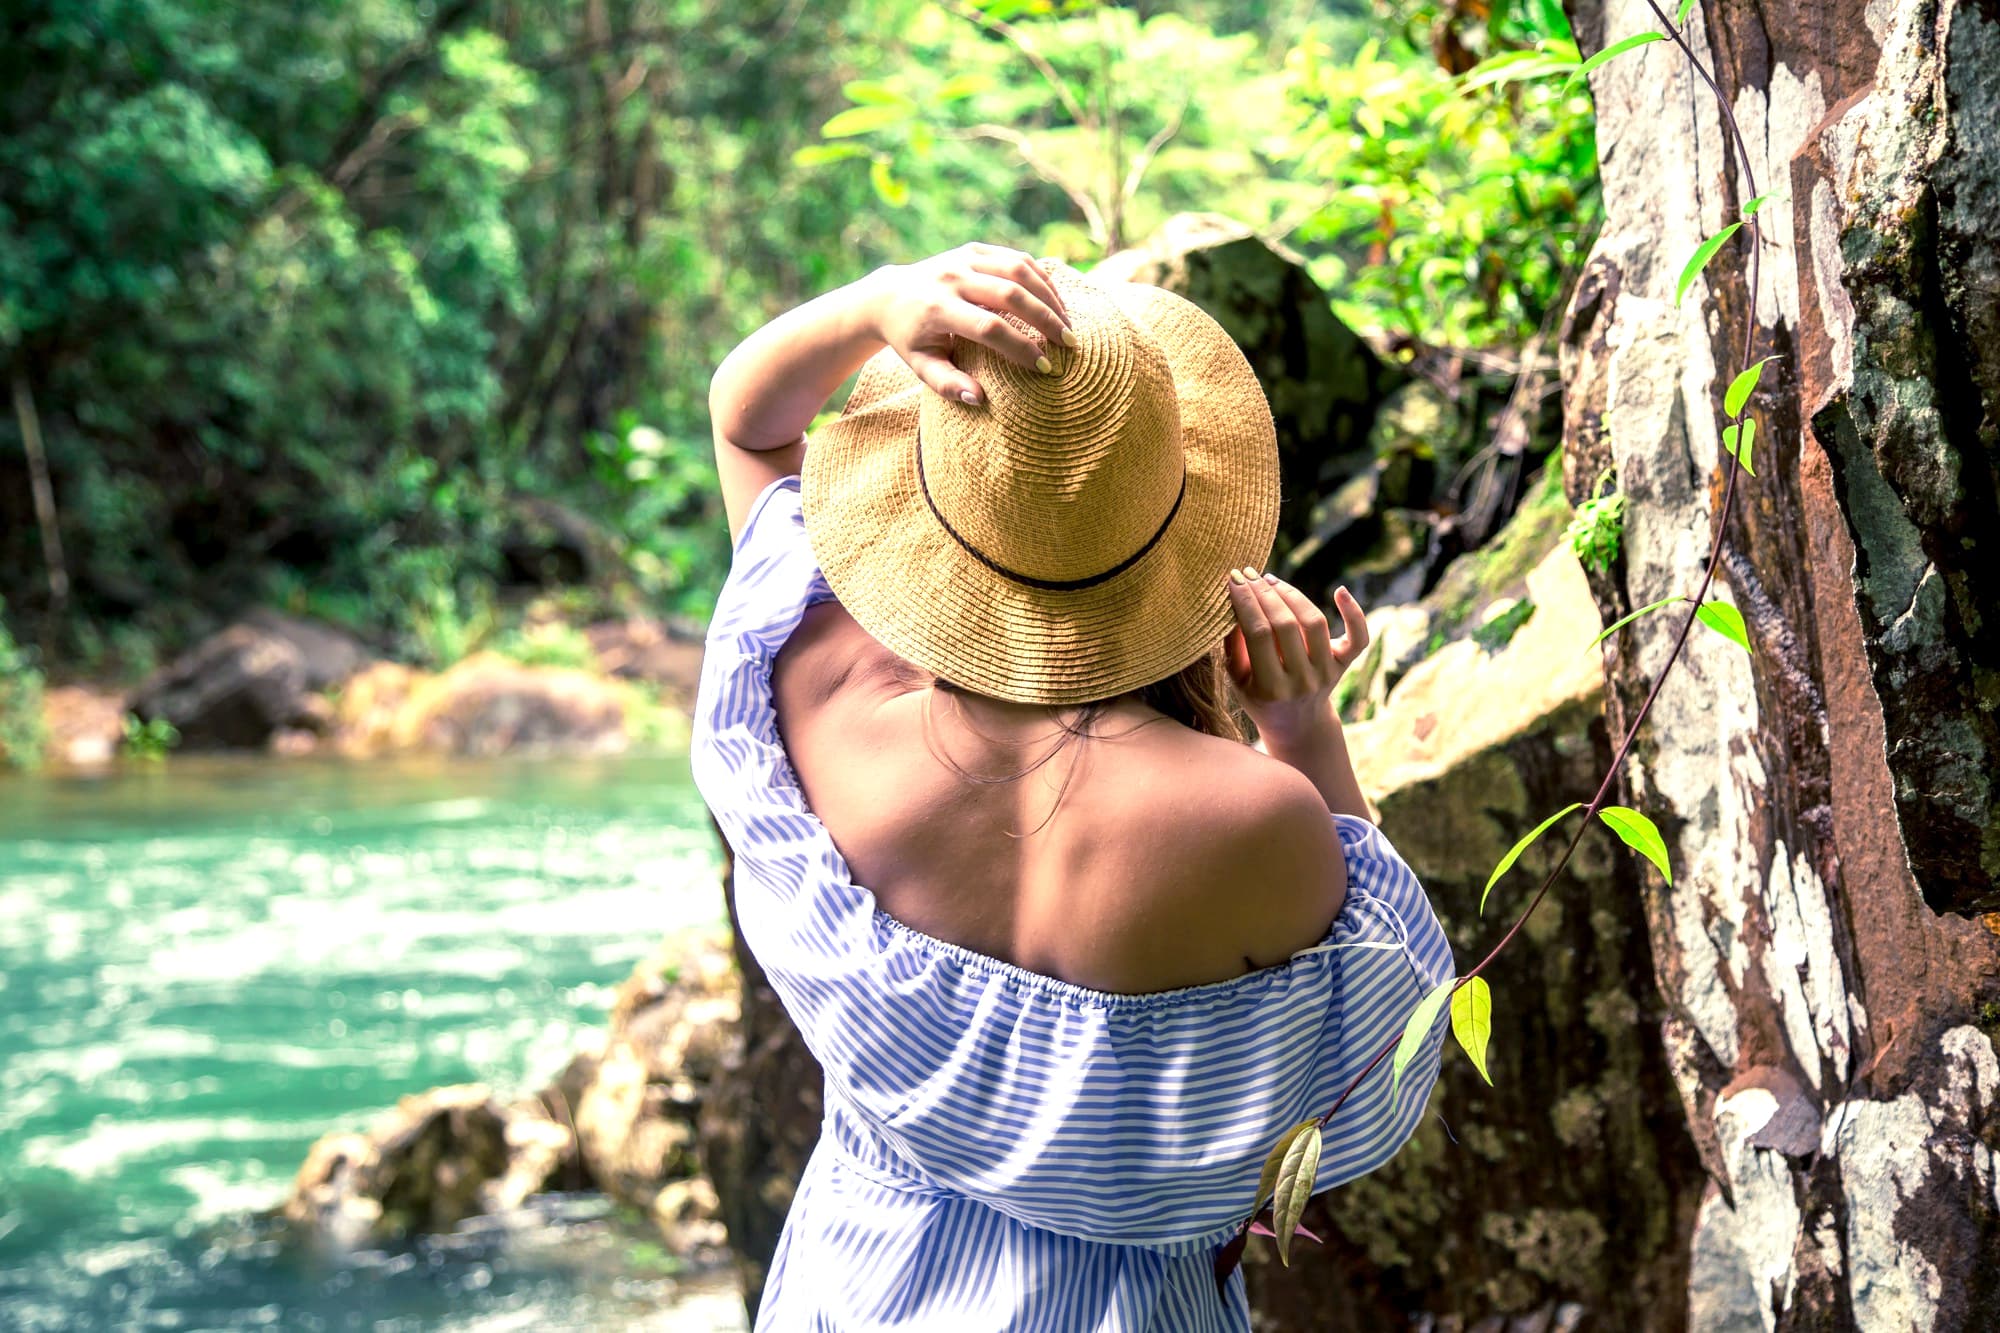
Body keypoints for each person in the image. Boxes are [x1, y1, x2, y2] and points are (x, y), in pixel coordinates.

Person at [691, 243, 1453, 1331]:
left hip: (848, 1286)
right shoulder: (1251, 816)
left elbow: (747, 420)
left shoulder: (810, 678)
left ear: (924, 505)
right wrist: (1302, 728)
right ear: (1181, 534)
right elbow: (1371, 1049)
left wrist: (877, 303)